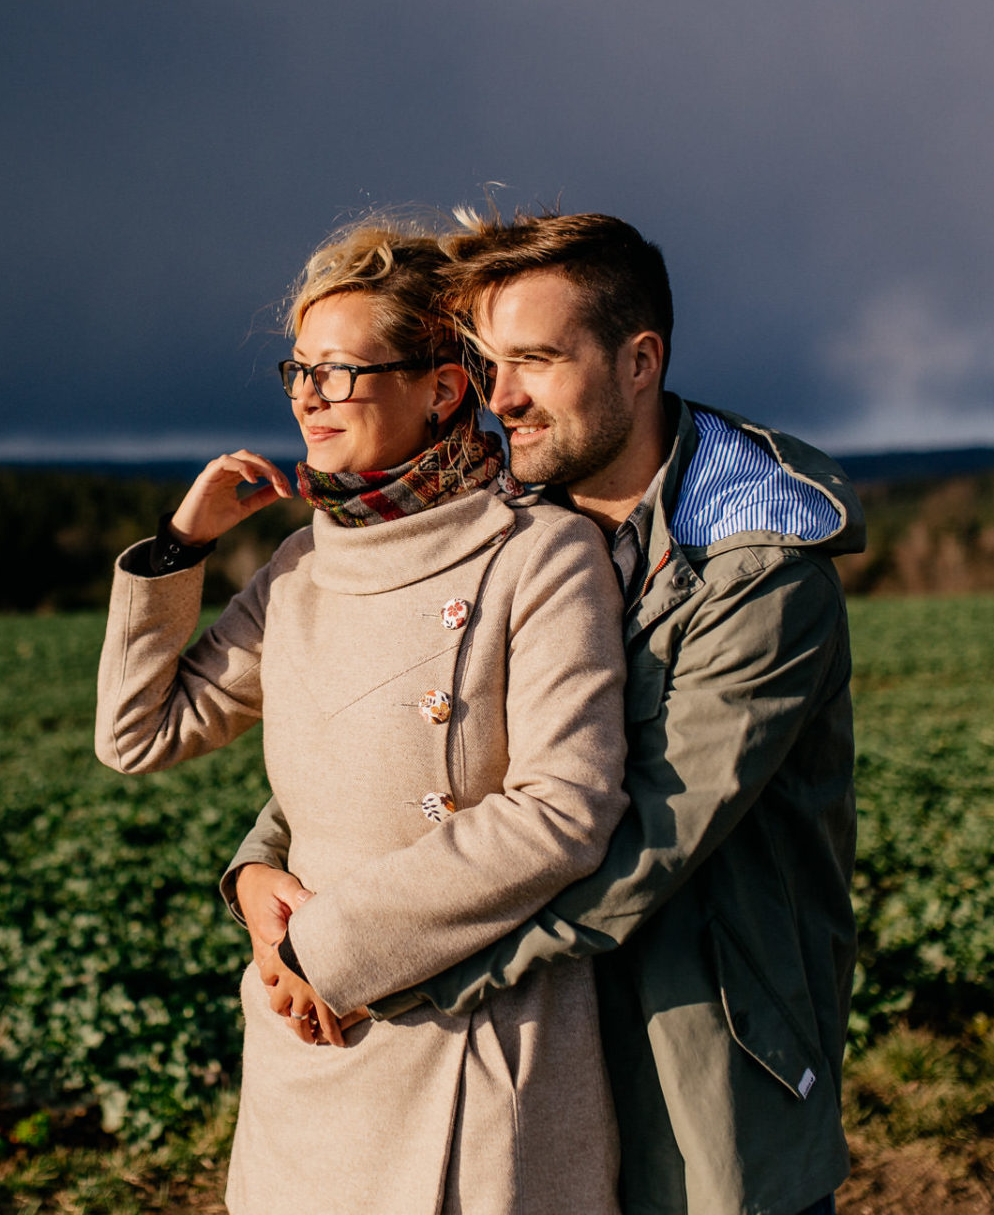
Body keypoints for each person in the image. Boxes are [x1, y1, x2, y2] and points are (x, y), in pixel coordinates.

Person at [233, 211, 865, 1215]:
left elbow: (643, 835)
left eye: (535, 358)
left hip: (697, 1065)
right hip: (540, 1067)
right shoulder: (530, 532)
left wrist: (369, 957)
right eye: (489, 361)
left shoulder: (759, 574)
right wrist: (268, 859)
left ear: (638, 360)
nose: (503, 396)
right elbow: (401, 727)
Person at [95, 219, 630, 1214]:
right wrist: (180, 545)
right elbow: (139, 735)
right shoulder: (301, 567)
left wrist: (329, 948)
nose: (309, 395)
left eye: (341, 371)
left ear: (441, 385)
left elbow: (564, 808)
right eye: (299, 370)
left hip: (468, 1038)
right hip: (307, 1045)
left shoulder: (539, 556)